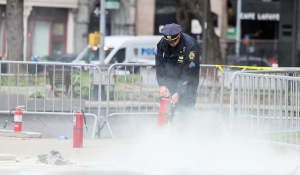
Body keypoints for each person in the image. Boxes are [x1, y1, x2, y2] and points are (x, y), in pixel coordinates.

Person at [155, 23, 200, 114]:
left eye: (174, 41)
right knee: (168, 110)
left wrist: (179, 92)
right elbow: (159, 64)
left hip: (188, 82)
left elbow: (190, 70)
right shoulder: (162, 43)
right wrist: (162, 84)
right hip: (170, 80)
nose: (171, 44)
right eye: (169, 41)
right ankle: (168, 127)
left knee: (185, 110)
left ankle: (184, 127)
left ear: (179, 35)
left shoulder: (191, 46)